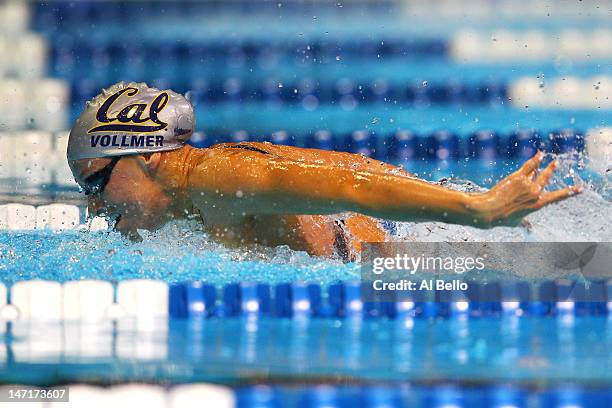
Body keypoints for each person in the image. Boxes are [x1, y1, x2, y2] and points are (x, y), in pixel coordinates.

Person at [68, 82, 581, 262]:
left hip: (385, 264)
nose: (94, 204)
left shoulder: (215, 177)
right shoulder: (180, 205)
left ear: (148, 154)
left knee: (585, 268)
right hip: (371, 259)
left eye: (96, 182)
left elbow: (348, 181)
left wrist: (478, 210)